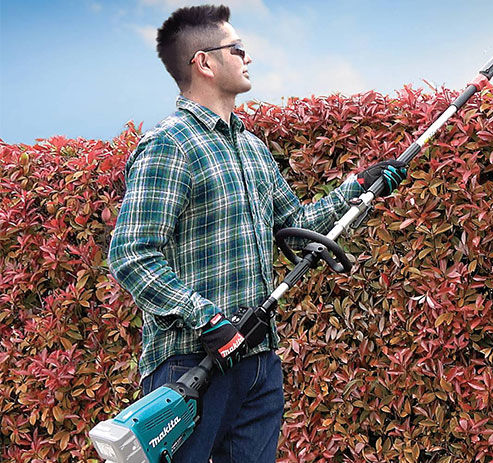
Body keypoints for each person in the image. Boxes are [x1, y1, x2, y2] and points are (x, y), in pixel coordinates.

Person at [108, 4, 406, 462]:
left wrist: (359, 188)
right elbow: (132, 254)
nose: (249, 58)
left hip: (258, 364)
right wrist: (204, 316)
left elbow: (296, 228)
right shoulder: (169, 145)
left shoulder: (253, 148)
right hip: (190, 366)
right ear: (204, 62)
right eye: (238, 48)